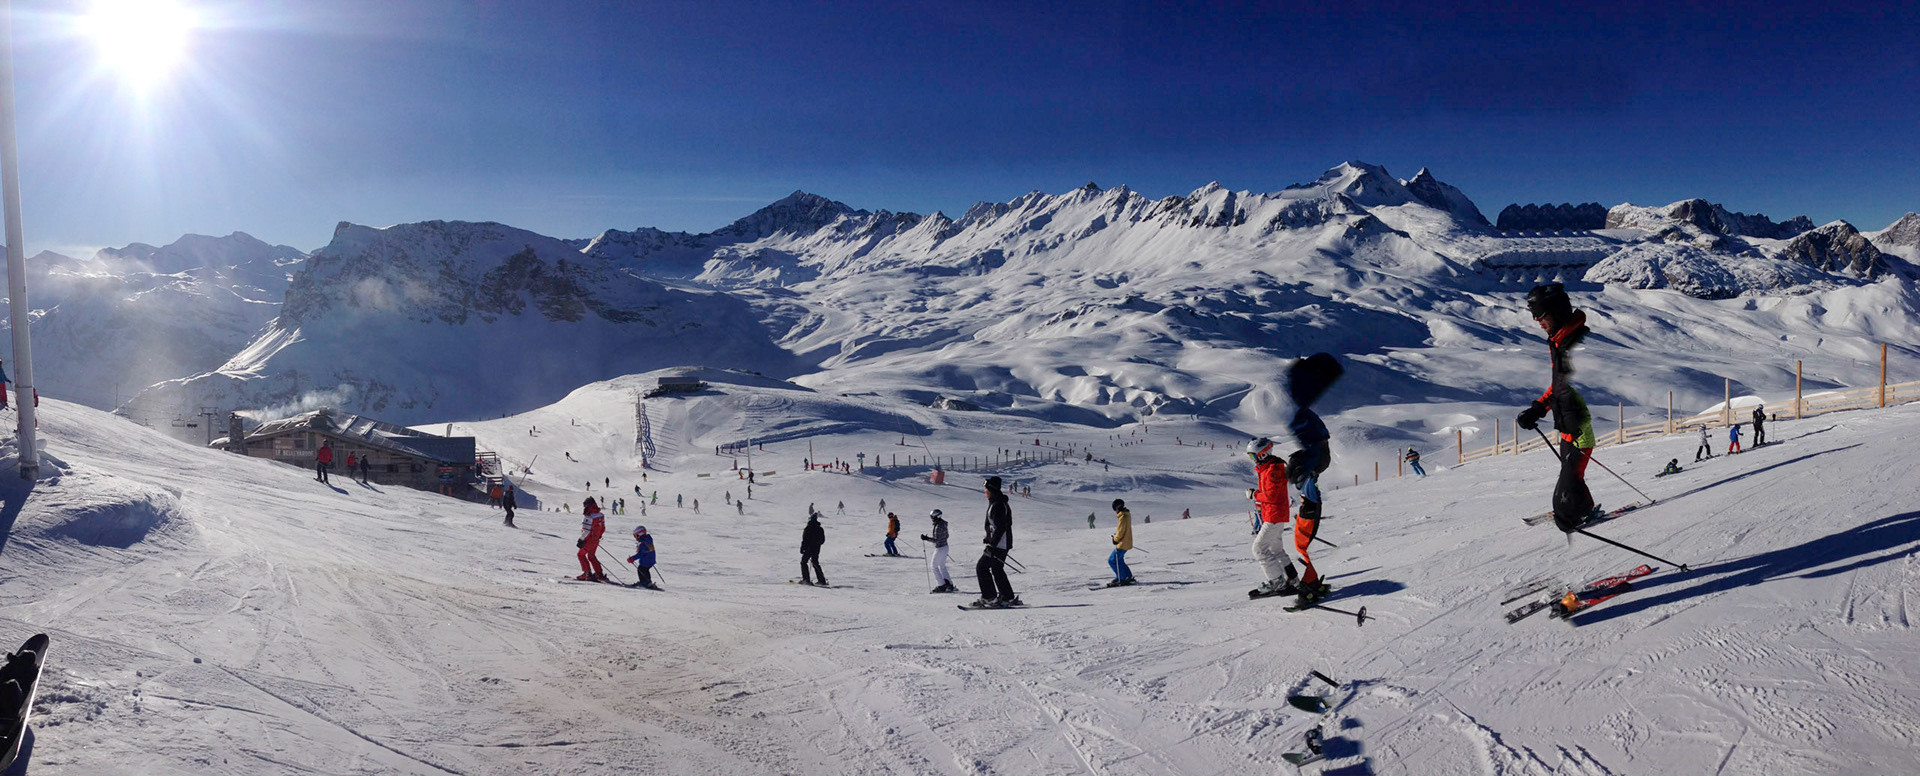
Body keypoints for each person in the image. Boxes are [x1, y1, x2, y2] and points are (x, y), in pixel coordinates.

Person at [1515, 283, 1599, 534]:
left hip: (1579, 433)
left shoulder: (1575, 343)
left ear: (1558, 312)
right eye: (1534, 315)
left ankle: (1574, 513)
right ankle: (1582, 508)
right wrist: (1538, 409)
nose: (1537, 321)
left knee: (1567, 491)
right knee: (1572, 480)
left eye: (1541, 315)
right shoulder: (1559, 342)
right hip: (1567, 431)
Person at [1284, 352, 1343, 608]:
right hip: (1309, 510)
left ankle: (1309, 589)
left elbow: (1315, 462)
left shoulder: (1309, 472)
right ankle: (1312, 585)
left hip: (1310, 512)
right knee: (1301, 549)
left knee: (1301, 551)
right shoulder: (1311, 472)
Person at [1245, 437, 1301, 597]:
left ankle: (1277, 581)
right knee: (1276, 549)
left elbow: (1272, 496)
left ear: (1262, 454)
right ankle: (1293, 579)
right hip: (1274, 514)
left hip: (1274, 516)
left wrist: (1254, 494)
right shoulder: (1269, 467)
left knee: (1258, 549)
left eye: (1253, 456)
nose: (1253, 460)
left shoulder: (1273, 470)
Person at [968, 476, 1020, 608]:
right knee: (997, 569)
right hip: (1001, 543)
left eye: (986, 489)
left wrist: (992, 544)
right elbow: (996, 525)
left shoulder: (997, 505)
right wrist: (988, 537)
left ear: (991, 489)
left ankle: (989, 597)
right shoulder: (997, 503)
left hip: (999, 544)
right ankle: (1007, 596)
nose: (985, 491)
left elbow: (1001, 527)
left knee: (982, 567)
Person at [922, 509, 956, 593]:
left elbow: (936, 540)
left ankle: (942, 585)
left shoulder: (938, 526)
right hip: (945, 547)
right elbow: (946, 536)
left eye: (932, 517)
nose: (932, 519)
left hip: (940, 548)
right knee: (942, 566)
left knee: (933, 566)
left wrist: (926, 538)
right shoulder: (943, 524)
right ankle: (949, 584)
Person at [1105, 499, 1136, 587]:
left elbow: (1121, 531)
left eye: (1115, 509)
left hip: (1122, 543)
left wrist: (1115, 539)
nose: (1115, 511)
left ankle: (1121, 578)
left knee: (1112, 560)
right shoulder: (1126, 515)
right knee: (1119, 560)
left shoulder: (1122, 517)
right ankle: (1128, 576)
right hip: (1126, 541)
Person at [576, 497, 607, 582]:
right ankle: (599, 573)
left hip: (588, 540)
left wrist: (581, 540)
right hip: (596, 540)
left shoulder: (588, 517)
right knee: (591, 556)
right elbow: (603, 528)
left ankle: (587, 573)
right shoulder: (601, 515)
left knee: (581, 555)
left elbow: (586, 531)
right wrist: (598, 536)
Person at [800, 511, 827, 586]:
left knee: (803, 562)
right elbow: (822, 540)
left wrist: (802, 548)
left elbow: (805, 539)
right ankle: (822, 580)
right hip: (817, 548)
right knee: (815, 562)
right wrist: (817, 544)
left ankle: (806, 579)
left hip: (809, 548)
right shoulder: (820, 529)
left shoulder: (808, 528)